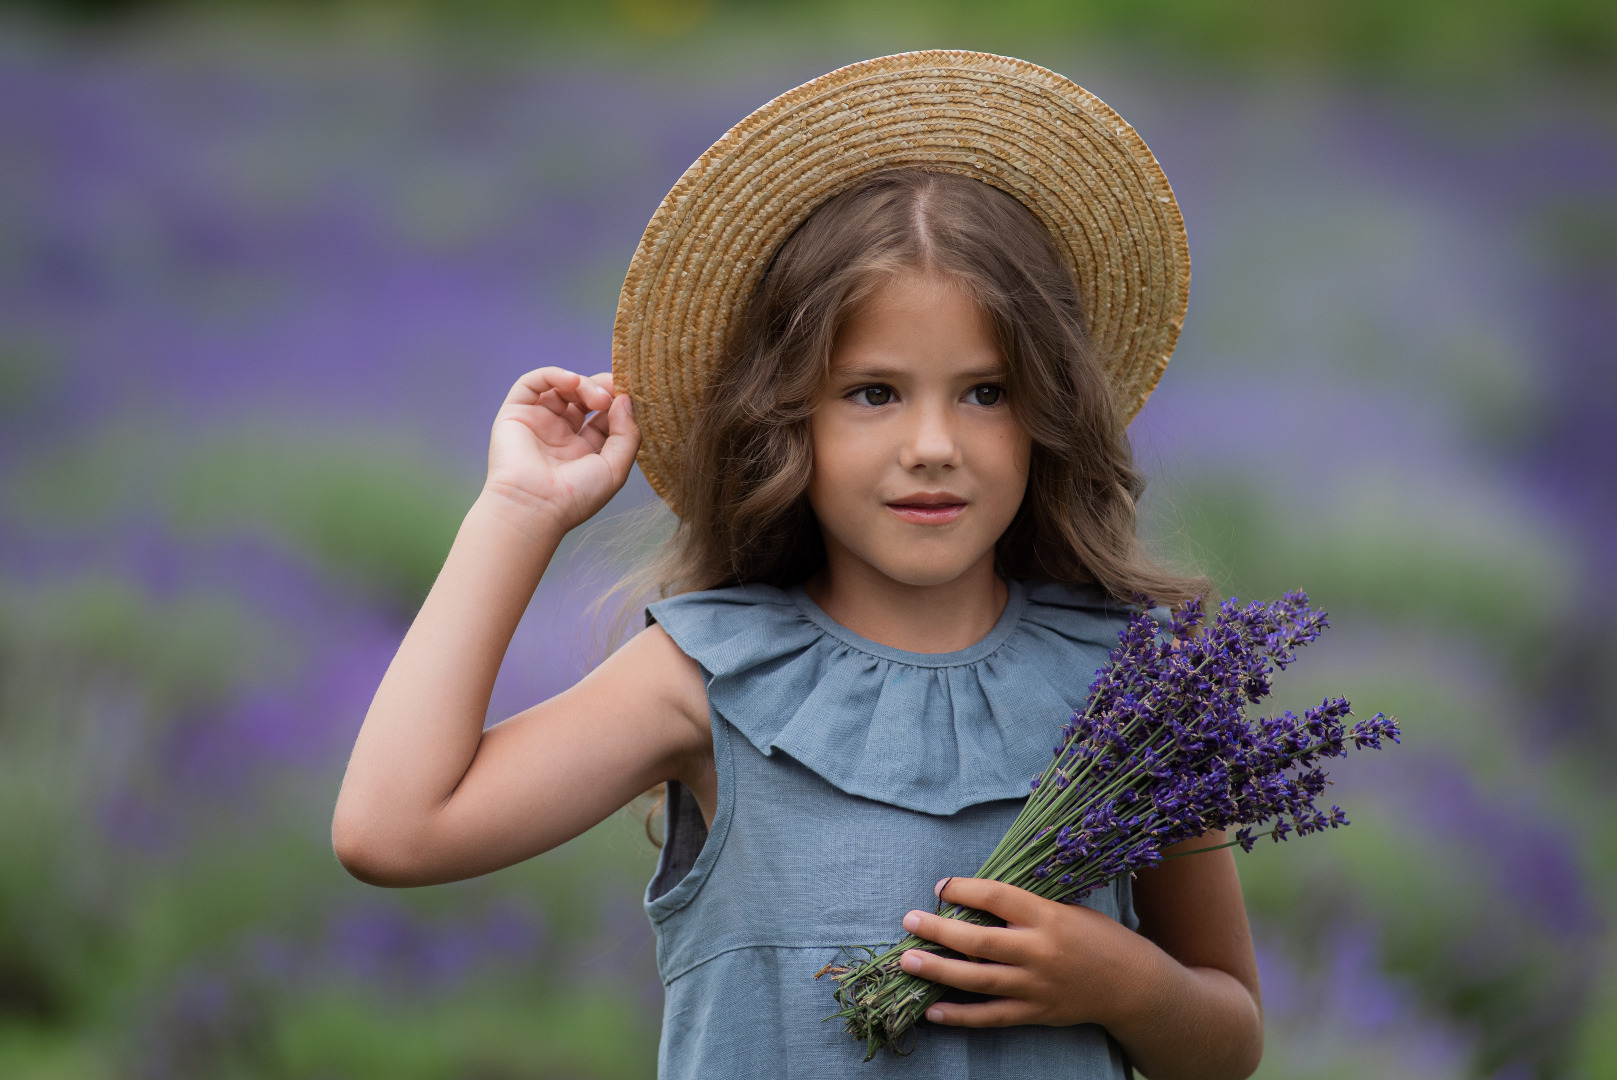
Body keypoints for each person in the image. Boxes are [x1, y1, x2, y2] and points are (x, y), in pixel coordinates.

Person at [333, 52, 1263, 1080]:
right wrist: (518, 511)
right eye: (873, 393)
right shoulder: (713, 677)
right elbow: (392, 831)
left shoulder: (1137, 688)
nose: (932, 444)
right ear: (789, 421)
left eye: (986, 392)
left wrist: (1125, 984)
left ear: (1050, 414)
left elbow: (1227, 1040)